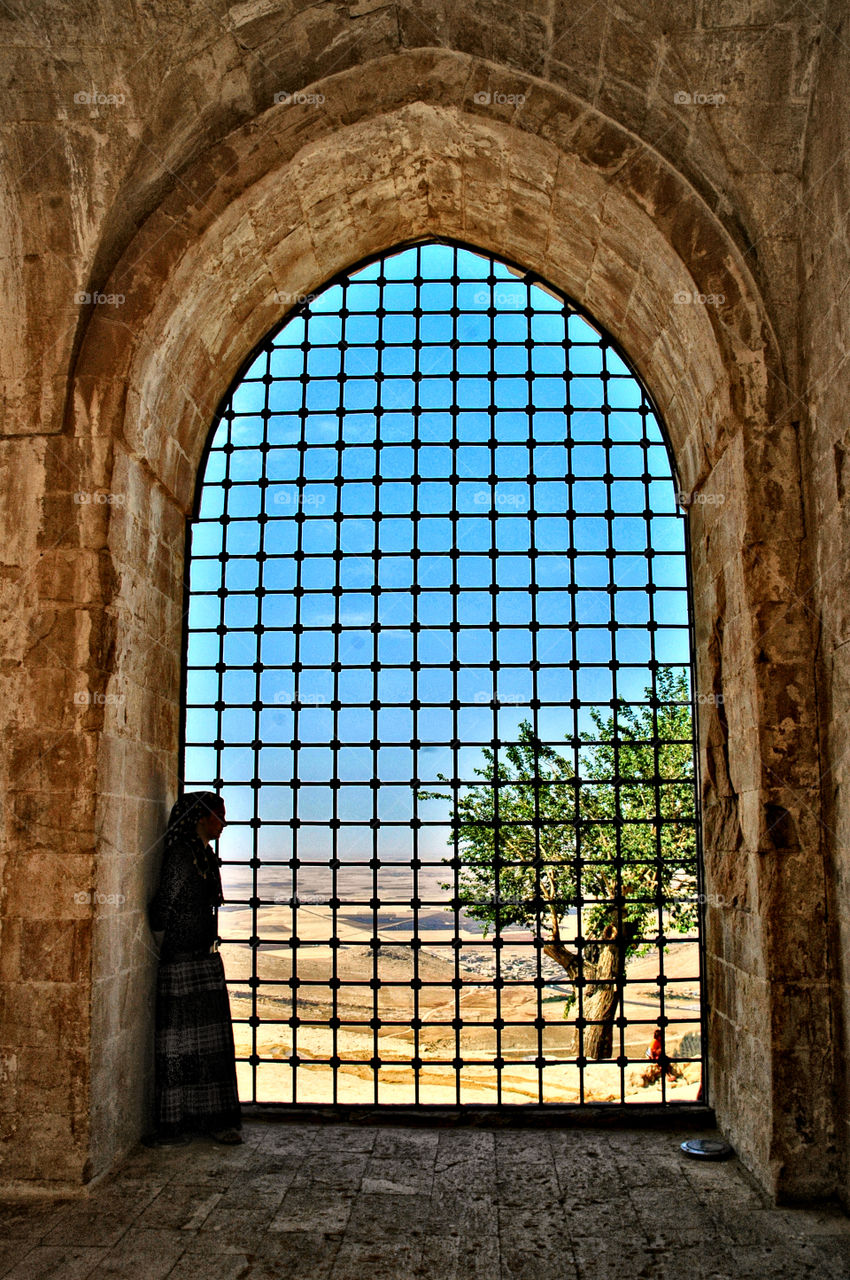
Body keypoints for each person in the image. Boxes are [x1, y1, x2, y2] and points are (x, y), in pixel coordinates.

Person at [148, 791, 243, 1144]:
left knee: (207, 1047)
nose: (224, 822)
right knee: (179, 1046)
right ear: (201, 817)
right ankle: (175, 1123)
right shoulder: (180, 857)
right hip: (183, 960)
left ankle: (210, 1119)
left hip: (201, 959)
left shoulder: (201, 856)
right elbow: (161, 909)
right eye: (219, 815)